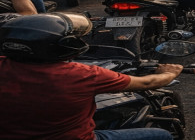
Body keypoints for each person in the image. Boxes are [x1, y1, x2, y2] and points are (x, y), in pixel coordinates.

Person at [0, 12, 181, 140]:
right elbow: (146, 82)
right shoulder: (82, 75)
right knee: (162, 135)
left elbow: (28, 24)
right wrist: (169, 73)